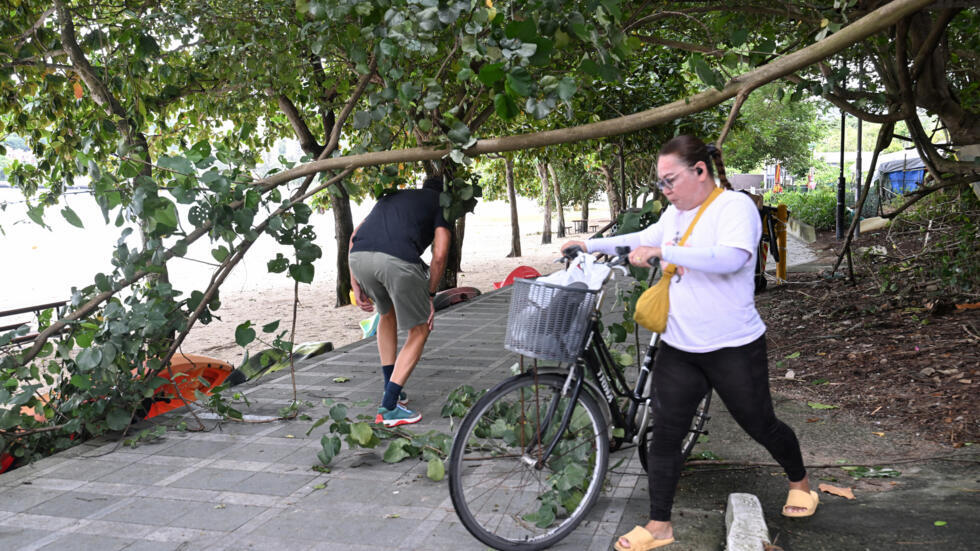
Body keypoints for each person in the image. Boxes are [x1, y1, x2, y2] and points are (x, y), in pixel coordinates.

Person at [562, 135, 816, 551]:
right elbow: (642, 238)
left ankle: (801, 482)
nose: (665, 191)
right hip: (680, 347)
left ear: (700, 171)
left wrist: (667, 251)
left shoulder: (733, 208)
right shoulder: (675, 216)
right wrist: (589, 244)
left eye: (670, 180)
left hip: (733, 347)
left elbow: (731, 257)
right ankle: (659, 525)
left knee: (760, 424)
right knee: (664, 435)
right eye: (660, 183)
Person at [349, 175, 451, 427]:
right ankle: (390, 406)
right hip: (396, 262)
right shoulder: (442, 204)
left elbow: (353, 237)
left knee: (386, 314)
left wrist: (353, 282)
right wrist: (429, 294)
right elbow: (439, 255)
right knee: (420, 329)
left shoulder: (393, 196)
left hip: (359, 258)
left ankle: (390, 387)